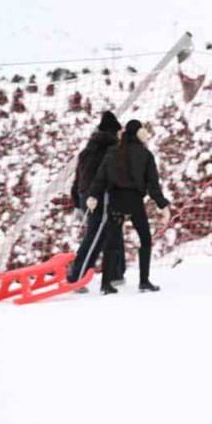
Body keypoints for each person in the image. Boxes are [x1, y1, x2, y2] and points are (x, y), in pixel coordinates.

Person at [86, 119, 170, 294]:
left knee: (112, 243)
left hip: (116, 200)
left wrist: (93, 196)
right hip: (134, 201)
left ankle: (106, 284)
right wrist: (163, 205)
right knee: (145, 239)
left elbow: (100, 178)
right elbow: (153, 185)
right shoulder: (145, 155)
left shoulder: (112, 152)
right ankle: (144, 281)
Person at [67, 110, 125, 286]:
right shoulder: (112, 150)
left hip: (87, 197)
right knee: (96, 236)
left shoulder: (87, 151)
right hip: (101, 197)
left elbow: (77, 179)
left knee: (113, 231)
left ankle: (115, 273)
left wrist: (78, 203)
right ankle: (77, 276)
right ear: (114, 132)